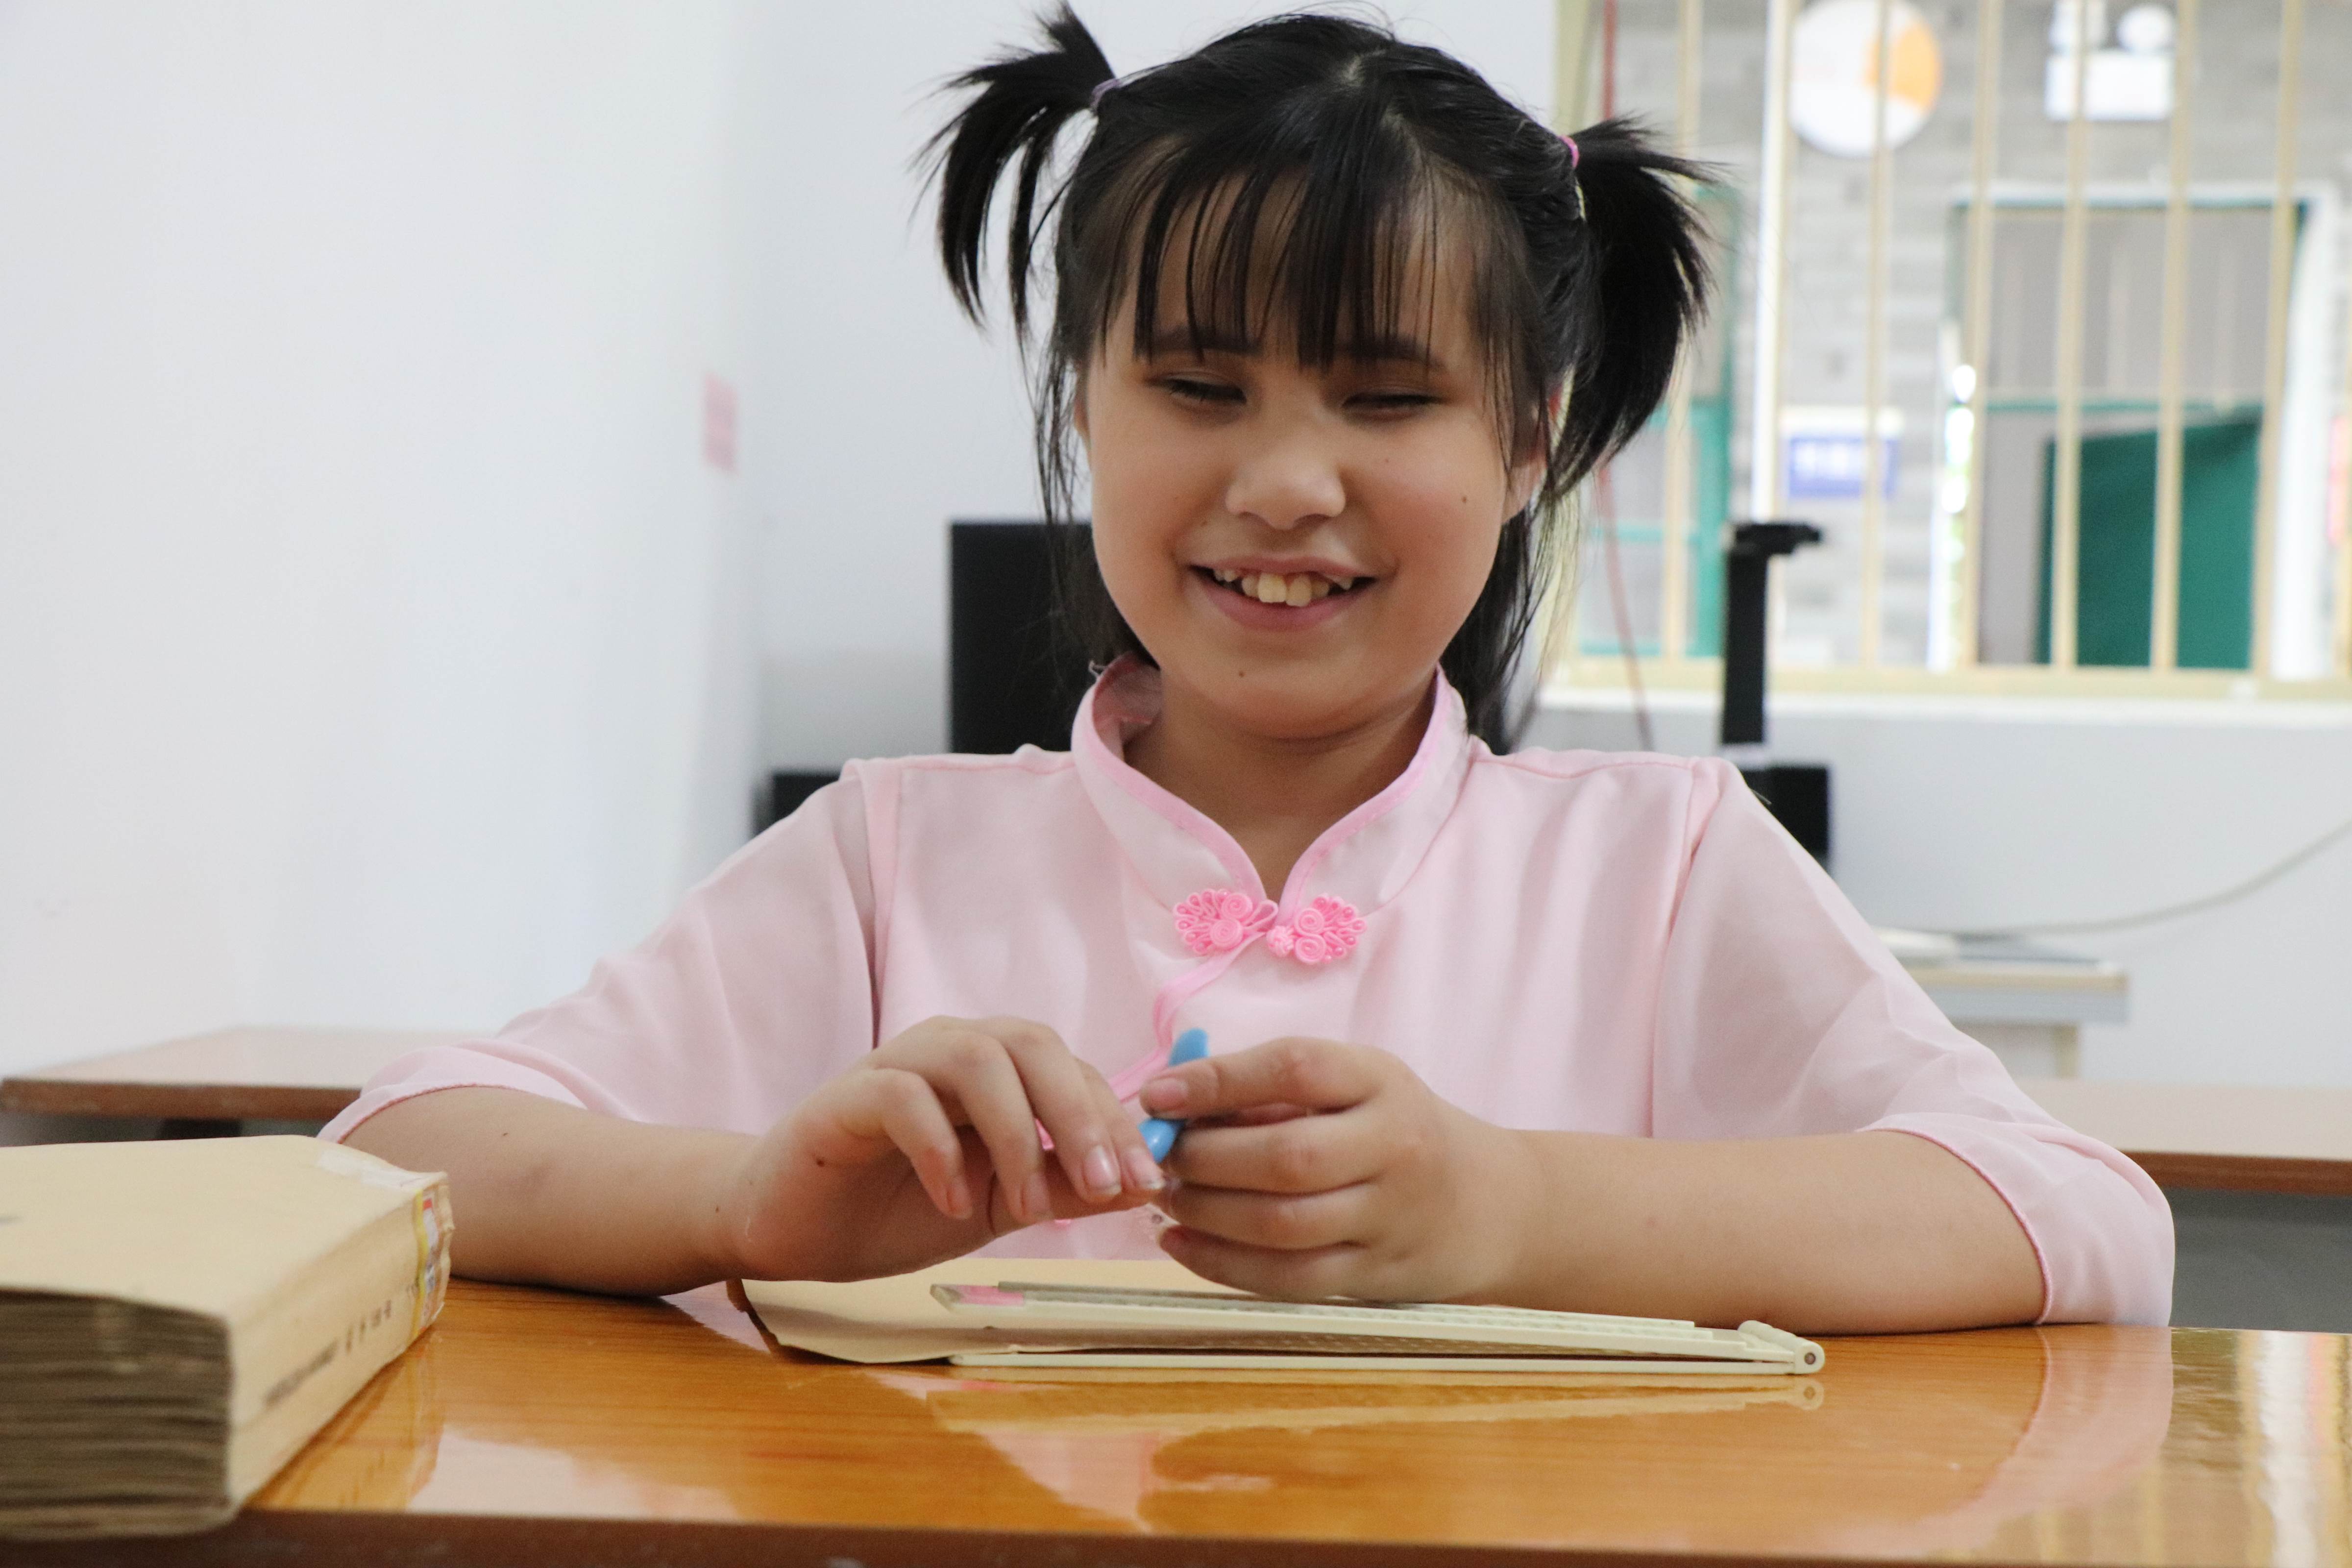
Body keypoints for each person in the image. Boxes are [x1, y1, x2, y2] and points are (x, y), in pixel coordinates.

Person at [332, 6, 2172, 1331]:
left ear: (1533, 440)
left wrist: (1514, 1207)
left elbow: (2078, 1221)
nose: (1287, 486)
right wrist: (747, 1202)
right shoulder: (894, 854)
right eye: (1198, 389)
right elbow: (393, 1155)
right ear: (1080, 401)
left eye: (1387, 398)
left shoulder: (1662, 862)